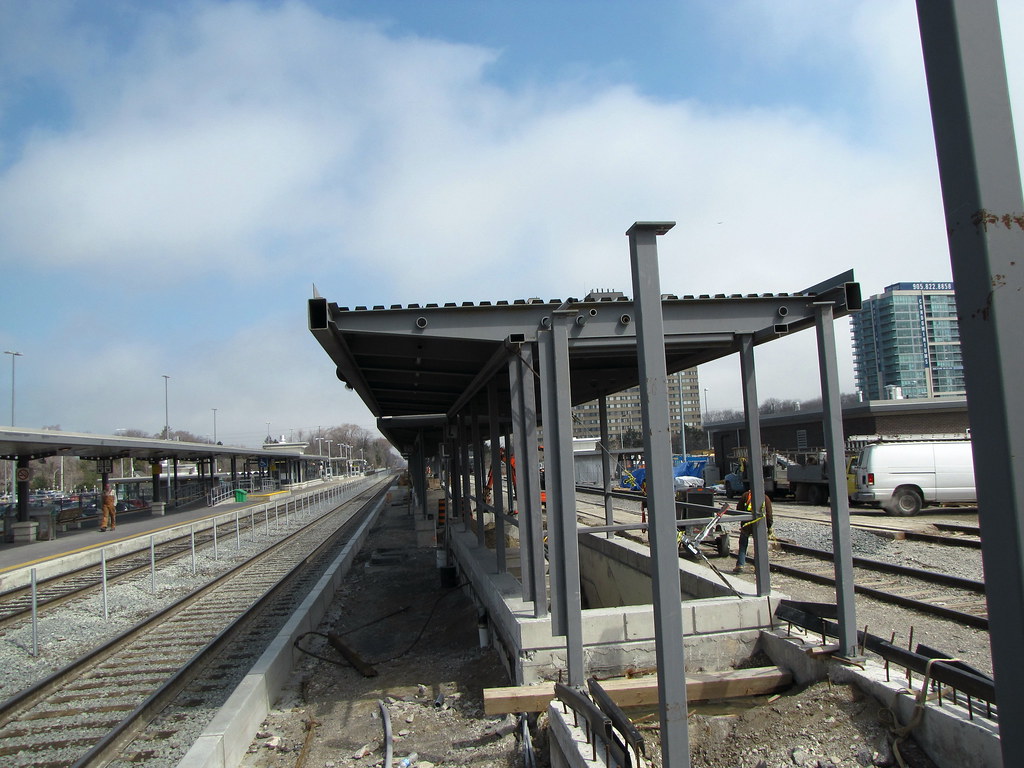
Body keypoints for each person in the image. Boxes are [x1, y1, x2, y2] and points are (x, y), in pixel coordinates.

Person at [733, 488, 773, 572]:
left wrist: (743, 522)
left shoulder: (745, 496)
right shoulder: (765, 498)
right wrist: (769, 527)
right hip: (759, 525)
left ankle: (740, 565)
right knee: (759, 547)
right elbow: (769, 514)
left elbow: (739, 510)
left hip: (746, 524)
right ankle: (758, 567)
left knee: (743, 545)